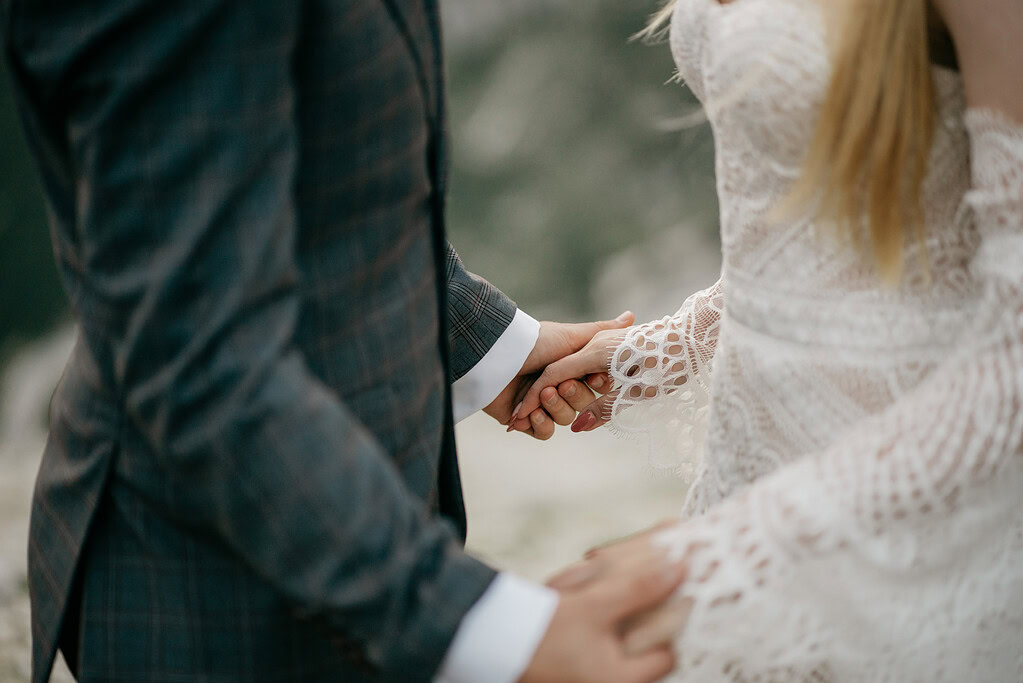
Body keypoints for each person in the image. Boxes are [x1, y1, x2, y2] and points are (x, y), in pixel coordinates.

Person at [2, 0, 685, 681]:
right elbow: (195, 360)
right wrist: (483, 626)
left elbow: (327, 175)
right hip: (216, 587)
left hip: (346, 534)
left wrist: (487, 342)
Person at [515, 0, 1023, 679]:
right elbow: (826, 218)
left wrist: (741, 545)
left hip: (909, 484)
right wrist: (670, 347)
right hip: (753, 455)